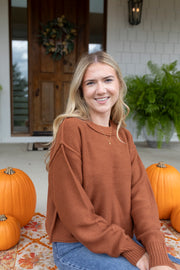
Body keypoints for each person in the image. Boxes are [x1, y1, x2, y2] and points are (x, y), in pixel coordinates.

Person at [46, 51, 180, 270]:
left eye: (107, 80)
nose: (101, 89)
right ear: (81, 91)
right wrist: (133, 251)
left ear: (119, 84)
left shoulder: (123, 136)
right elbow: (74, 212)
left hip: (119, 240)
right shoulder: (71, 130)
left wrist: (157, 254)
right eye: (91, 83)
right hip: (76, 245)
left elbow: (142, 200)